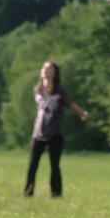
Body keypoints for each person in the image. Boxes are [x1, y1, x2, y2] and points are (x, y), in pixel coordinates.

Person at [23, 60, 88, 197]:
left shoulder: (60, 91)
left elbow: (70, 104)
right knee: (32, 164)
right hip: (39, 132)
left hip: (55, 133)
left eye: (49, 68)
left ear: (55, 72)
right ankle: (28, 193)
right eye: (44, 68)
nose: (45, 70)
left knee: (55, 166)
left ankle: (56, 195)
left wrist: (82, 113)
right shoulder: (38, 89)